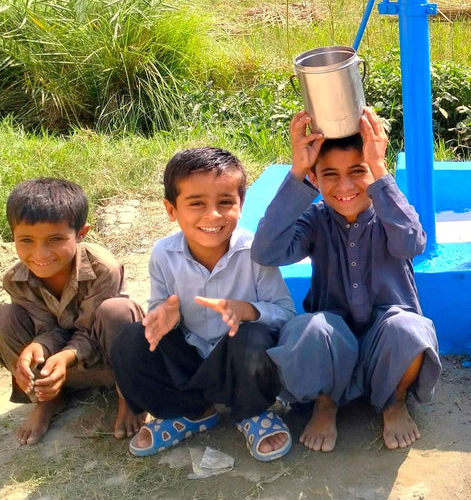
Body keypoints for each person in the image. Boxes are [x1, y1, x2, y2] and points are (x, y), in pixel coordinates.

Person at [251, 108, 441, 453]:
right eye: (330, 175)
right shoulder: (316, 218)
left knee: (409, 329)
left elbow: (411, 243)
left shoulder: (389, 211)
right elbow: (266, 252)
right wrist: (297, 174)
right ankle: (326, 404)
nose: (345, 186)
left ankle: (394, 402)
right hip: (331, 345)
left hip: (385, 345)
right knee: (307, 328)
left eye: (359, 171)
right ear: (316, 178)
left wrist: (380, 169)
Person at [110, 147, 296, 460]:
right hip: (191, 362)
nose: (213, 215)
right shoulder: (163, 255)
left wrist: (248, 310)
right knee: (130, 340)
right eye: (196, 203)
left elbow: (286, 315)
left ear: (241, 205)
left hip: (241, 365)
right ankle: (192, 412)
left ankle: (251, 412)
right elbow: (158, 315)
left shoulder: (255, 253)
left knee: (254, 335)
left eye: (225, 202)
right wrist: (165, 315)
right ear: (171, 209)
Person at [1, 178, 144, 445]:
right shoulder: (15, 279)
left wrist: (66, 356)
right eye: (26, 240)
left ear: (81, 233)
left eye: (55, 239)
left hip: (109, 363)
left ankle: (131, 397)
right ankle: (47, 399)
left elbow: (90, 330)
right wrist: (38, 348)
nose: (39, 253)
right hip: (61, 374)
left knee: (118, 310)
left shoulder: (103, 268)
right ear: (13, 237)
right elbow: (46, 328)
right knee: (3, 317)